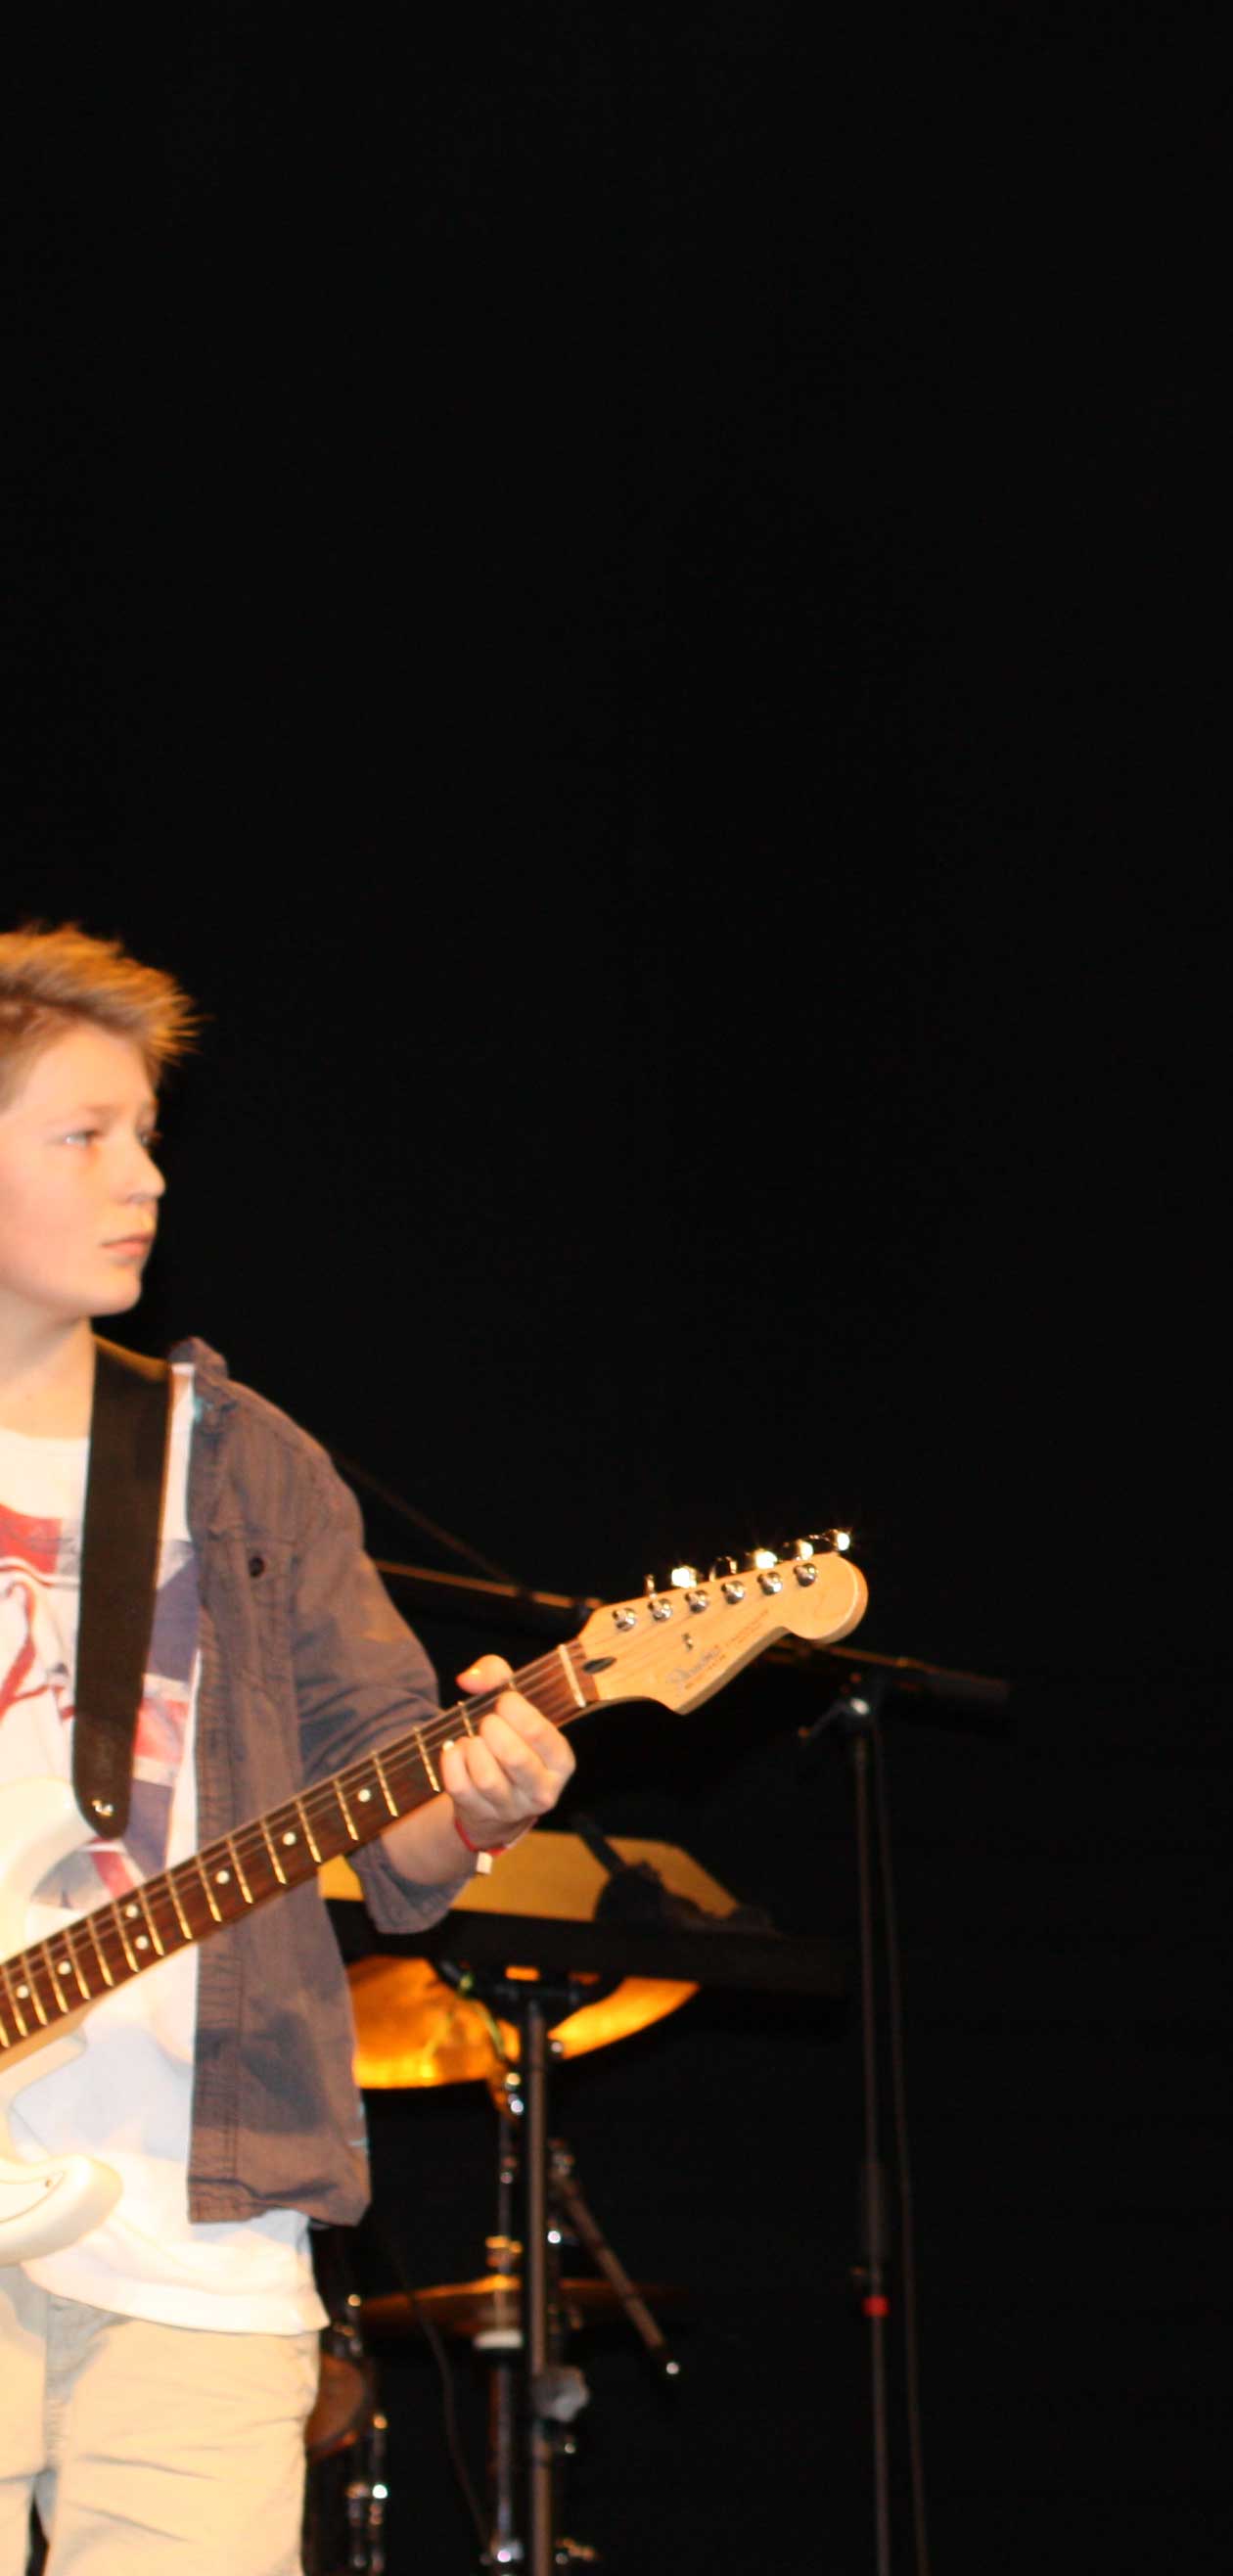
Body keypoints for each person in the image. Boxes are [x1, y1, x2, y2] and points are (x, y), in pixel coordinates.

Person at [0, 926, 575, 2571]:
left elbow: (394, 1820)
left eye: (147, 1133)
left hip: (203, 2224)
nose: (145, 1177)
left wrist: (480, 1796)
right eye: (84, 1134)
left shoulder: (240, 1460)